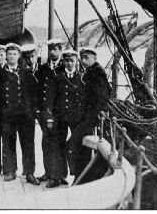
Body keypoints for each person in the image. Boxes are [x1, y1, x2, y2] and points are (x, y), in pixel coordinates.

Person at [0, 43, 39, 185]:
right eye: (9, 54)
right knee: (8, 142)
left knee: (28, 144)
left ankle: (29, 172)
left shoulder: (26, 72)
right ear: (6, 56)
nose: (11, 57)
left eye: (14, 54)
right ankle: (10, 171)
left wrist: (32, 111)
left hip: (25, 115)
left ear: (19, 56)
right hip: (8, 114)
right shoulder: (0, 74)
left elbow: (34, 93)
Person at [45, 48, 85, 187]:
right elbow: (50, 100)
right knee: (57, 145)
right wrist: (50, 117)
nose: (69, 64)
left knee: (77, 146)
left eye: (72, 61)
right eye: (67, 61)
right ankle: (58, 177)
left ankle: (78, 176)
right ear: (63, 61)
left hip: (76, 118)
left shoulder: (81, 78)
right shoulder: (57, 78)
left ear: (76, 61)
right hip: (60, 117)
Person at [36, 38, 67, 185]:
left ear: (60, 50)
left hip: (60, 113)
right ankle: (49, 173)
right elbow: (39, 90)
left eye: (55, 49)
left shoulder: (65, 67)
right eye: (50, 49)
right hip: (46, 112)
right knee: (46, 143)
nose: (52, 52)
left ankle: (58, 176)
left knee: (58, 144)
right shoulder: (44, 68)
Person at [79, 47, 111, 182]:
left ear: (94, 58)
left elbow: (103, 95)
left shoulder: (97, 72)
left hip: (94, 115)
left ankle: (85, 175)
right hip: (90, 114)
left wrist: (99, 112)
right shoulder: (91, 71)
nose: (83, 61)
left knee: (79, 142)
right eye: (82, 58)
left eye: (86, 57)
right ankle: (86, 174)